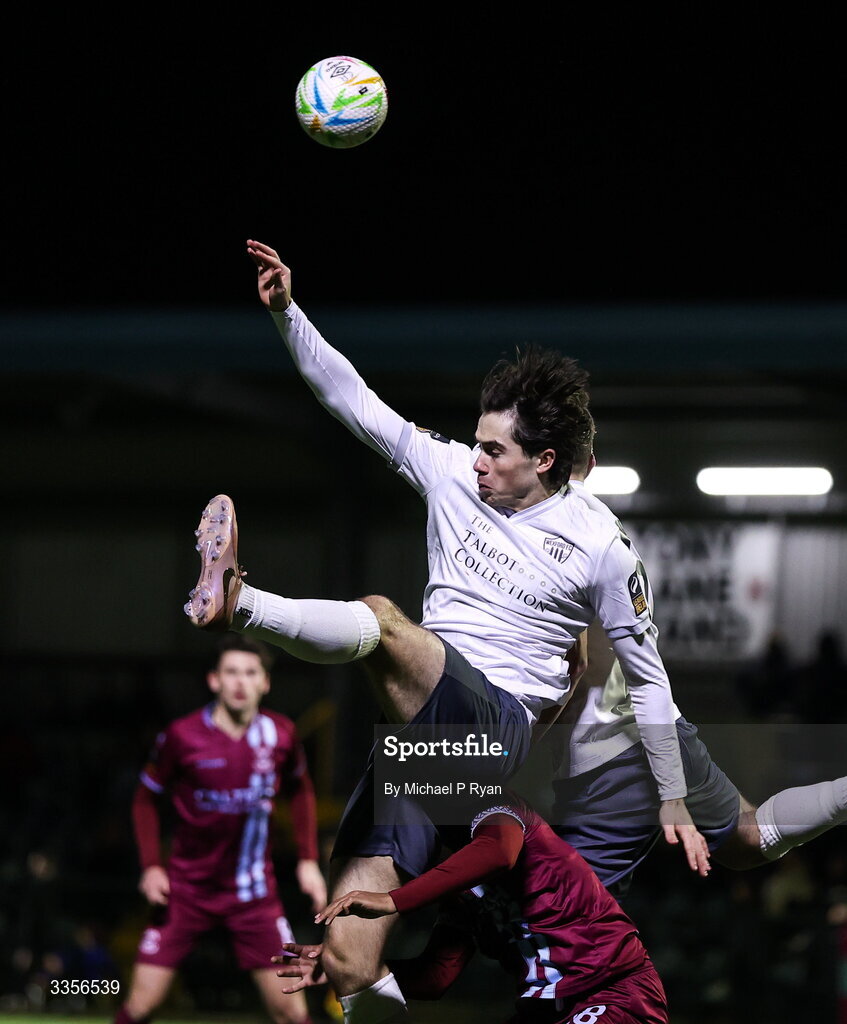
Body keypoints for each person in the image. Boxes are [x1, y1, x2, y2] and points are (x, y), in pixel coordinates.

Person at [181, 238, 707, 1022]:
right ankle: (240, 601)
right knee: (350, 961)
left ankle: (242, 602)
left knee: (385, 623)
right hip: (420, 754)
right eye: (478, 442)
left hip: (495, 733)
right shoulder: (455, 476)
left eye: (495, 451)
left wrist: (673, 797)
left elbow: (647, 668)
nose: (478, 462)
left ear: (546, 460)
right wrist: (288, 313)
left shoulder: (599, 544)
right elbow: (353, 401)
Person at [548, 439, 847, 895]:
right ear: (591, 463)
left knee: (561, 921)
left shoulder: (541, 533)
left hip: (606, 754)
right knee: (750, 836)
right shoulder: (604, 529)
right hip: (652, 728)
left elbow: (583, 662)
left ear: (537, 460)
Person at [277, 794, 669, 1024]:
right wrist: (342, 964)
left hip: (614, 990)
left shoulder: (499, 809)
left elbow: (499, 850)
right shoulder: (461, 893)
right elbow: (436, 976)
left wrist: (393, 898)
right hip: (542, 1010)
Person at [114, 634, 326, 1024]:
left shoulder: (281, 735)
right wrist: (150, 866)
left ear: (265, 682)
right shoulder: (182, 736)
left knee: (293, 1013)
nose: (240, 682)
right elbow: (145, 799)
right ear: (214, 680)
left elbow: (301, 790)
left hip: (254, 896)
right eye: (231, 672)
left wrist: (308, 859)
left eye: (250, 673)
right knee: (142, 1005)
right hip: (185, 890)